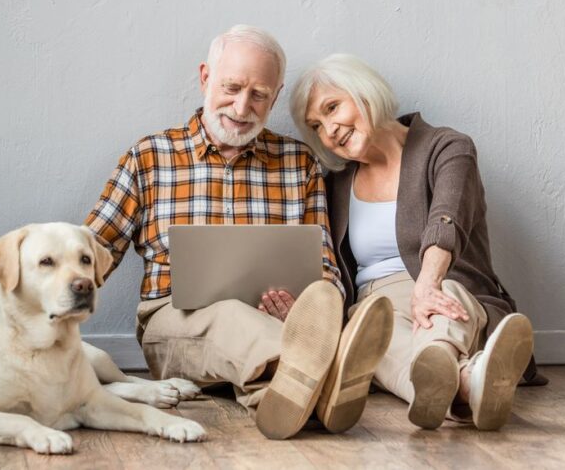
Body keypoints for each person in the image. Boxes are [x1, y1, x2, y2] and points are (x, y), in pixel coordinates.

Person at [85, 27, 393, 440]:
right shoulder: (150, 157)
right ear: (205, 77)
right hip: (173, 323)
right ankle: (331, 372)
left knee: (277, 330)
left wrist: (307, 305)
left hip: (275, 324)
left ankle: (289, 397)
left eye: (259, 95)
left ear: (276, 96)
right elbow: (89, 251)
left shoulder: (297, 162)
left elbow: (324, 263)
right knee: (229, 315)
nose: (242, 106)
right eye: (231, 87)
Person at [289, 53, 546, 432]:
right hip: (377, 305)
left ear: (364, 92)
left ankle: (443, 372)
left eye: (332, 107)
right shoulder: (336, 183)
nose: (329, 130)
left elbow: (448, 220)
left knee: (446, 302)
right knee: (368, 337)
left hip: (450, 286)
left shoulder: (447, 147)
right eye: (317, 125)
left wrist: (427, 286)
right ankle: (468, 383)